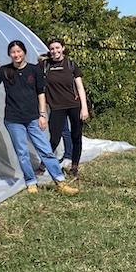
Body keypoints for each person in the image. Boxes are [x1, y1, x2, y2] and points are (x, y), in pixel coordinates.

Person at [0, 40, 78, 195]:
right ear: (9, 54)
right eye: (13, 52)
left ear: (24, 52)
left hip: (33, 118)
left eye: (19, 51)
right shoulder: (5, 71)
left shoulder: (34, 70)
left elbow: (41, 92)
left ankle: (60, 182)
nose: (16, 54)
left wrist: (42, 115)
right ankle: (31, 182)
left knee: (45, 150)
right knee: (22, 152)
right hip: (13, 120)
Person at [42, 38, 89, 178]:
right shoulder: (45, 65)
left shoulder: (71, 65)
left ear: (63, 48)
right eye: (52, 49)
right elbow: (27, 72)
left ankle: (74, 166)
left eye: (57, 48)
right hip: (57, 107)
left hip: (74, 105)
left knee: (76, 136)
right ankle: (44, 164)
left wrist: (84, 108)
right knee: (54, 138)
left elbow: (80, 87)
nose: (55, 51)